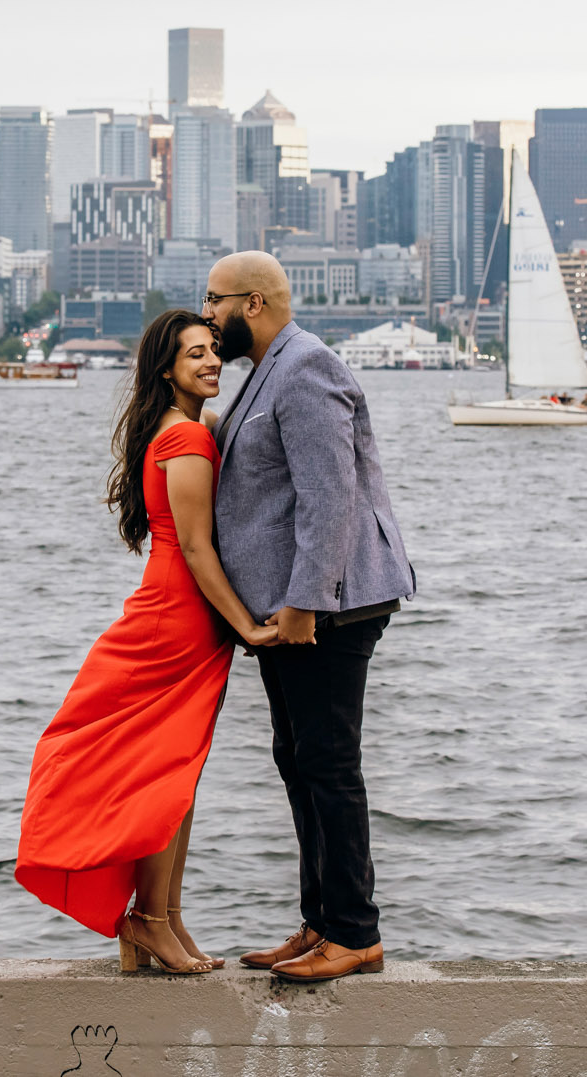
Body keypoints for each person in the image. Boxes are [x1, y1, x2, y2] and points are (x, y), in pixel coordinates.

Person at [15, 310, 279, 975]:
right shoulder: (186, 437)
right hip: (177, 620)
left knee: (175, 776)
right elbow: (194, 546)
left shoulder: (185, 427)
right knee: (166, 777)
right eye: (196, 354)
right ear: (167, 368)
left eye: (215, 350)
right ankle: (149, 918)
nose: (213, 362)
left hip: (181, 616)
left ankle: (164, 919)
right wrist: (247, 624)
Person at [203, 252, 416, 982]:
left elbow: (332, 499)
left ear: (253, 303)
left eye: (214, 300)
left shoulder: (307, 368)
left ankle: (355, 932)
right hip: (295, 605)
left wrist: (304, 603)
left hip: (331, 602)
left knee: (327, 761)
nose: (207, 315)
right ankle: (320, 920)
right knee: (298, 759)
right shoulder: (267, 371)